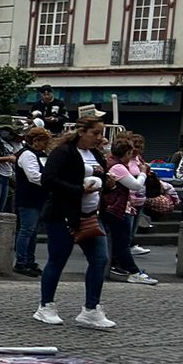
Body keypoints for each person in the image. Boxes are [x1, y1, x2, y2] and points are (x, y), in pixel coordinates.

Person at [35, 114, 113, 330]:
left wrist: (108, 183)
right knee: (58, 259)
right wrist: (79, 189)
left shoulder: (96, 154)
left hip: (90, 214)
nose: (99, 138)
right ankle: (45, 305)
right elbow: (48, 179)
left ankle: (91, 309)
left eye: (101, 133)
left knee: (99, 259)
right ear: (81, 132)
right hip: (63, 214)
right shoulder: (64, 152)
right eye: (95, 133)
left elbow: (101, 178)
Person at [105, 135, 157, 285]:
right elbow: (136, 185)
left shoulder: (113, 163)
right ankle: (133, 271)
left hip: (120, 206)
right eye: (129, 154)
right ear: (125, 153)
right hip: (119, 208)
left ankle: (118, 267)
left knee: (119, 241)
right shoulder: (118, 167)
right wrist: (142, 172)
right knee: (122, 242)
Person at [12, 124, 51, 277]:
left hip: (36, 197)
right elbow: (34, 176)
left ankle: (29, 260)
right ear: (35, 141)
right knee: (27, 230)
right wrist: (50, 180)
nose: (46, 145)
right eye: (44, 142)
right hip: (28, 197)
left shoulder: (38, 154)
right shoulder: (27, 154)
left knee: (32, 232)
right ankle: (21, 262)